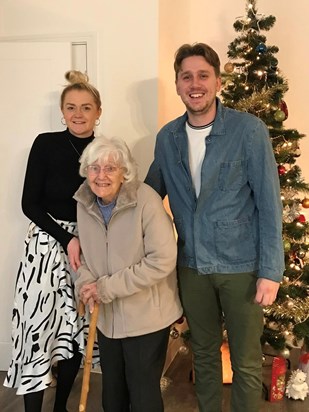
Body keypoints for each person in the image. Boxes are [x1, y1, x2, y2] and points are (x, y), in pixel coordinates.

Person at [145, 43, 285, 412]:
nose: (195, 83)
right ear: (177, 84)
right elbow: (147, 197)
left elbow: (270, 204)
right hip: (192, 267)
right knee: (203, 356)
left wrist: (271, 271)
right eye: (186, 76)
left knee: (246, 361)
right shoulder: (167, 138)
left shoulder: (248, 131)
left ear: (217, 81)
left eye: (203, 75)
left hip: (242, 267)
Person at [4, 70, 102, 412]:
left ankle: (60, 407)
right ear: (62, 111)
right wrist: (66, 238)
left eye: (86, 107)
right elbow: (28, 203)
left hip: (88, 249)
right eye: (71, 107)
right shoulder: (45, 144)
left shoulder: (105, 150)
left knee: (75, 331)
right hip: (44, 248)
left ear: (98, 112)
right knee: (37, 329)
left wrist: (84, 241)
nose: (78, 114)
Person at [74, 136, 183, 412]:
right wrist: (87, 282)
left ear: (125, 171)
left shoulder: (145, 200)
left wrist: (106, 288)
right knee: (112, 391)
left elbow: (162, 260)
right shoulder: (84, 201)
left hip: (147, 317)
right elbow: (86, 255)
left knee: (143, 392)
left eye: (110, 168)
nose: (101, 176)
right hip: (107, 318)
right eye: (94, 168)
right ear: (86, 170)